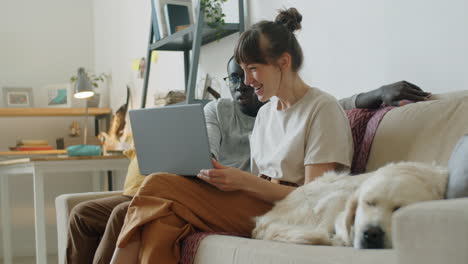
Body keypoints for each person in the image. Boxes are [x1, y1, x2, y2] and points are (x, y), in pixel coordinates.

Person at [110, 8, 429, 264]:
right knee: (161, 219)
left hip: (300, 211)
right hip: (261, 203)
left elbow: (316, 197)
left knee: (158, 185)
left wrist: (241, 181)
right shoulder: (265, 114)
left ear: (283, 63)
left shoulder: (322, 110)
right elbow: (258, 181)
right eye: (243, 71)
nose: (246, 81)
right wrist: (227, 180)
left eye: (253, 69)